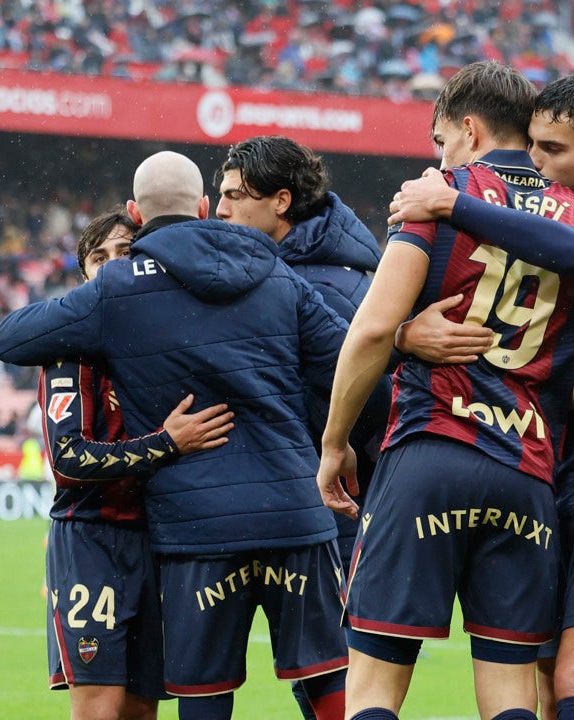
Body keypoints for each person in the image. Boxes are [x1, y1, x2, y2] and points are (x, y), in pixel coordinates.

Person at [316, 60, 574, 720]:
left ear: (467, 128)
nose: (438, 155)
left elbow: (373, 330)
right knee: (510, 693)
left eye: (440, 140)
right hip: (525, 471)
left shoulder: (439, 195)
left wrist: (335, 443)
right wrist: (520, 379)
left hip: (429, 450)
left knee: (374, 686)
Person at [0, 151, 353, 720]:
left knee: (203, 696)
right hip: (293, 514)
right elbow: (350, 356)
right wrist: (336, 434)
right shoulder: (274, 268)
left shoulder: (117, 288)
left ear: (136, 215)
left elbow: (12, 340)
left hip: (198, 530)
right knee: (330, 684)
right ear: (206, 207)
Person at [388, 72, 574, 720]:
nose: (534, 162)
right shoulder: (523, 214)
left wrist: (452, 203)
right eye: (530, 145)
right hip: (537, 466)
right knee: (547, 685)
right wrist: (406, 336)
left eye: (552, 150)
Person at [214, 135, 389, 718]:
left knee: (329, 674)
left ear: (281, 201)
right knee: (320, 673)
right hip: (309, 499)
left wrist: (336, 447)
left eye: (235, 196)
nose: (220, 209)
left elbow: (375, 395)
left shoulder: (326, 286)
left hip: (329, 505)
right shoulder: (308, 269)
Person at [42, 207, 233, 720]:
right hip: (92, 540)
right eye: (97, 257)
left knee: (141, 712)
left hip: (158, 543)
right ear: (83, 274)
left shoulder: (164, 344)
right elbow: (68, 460)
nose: (109, 267)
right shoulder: (68, 349)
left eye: (123, 253)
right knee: (100, 711)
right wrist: (166, 445)